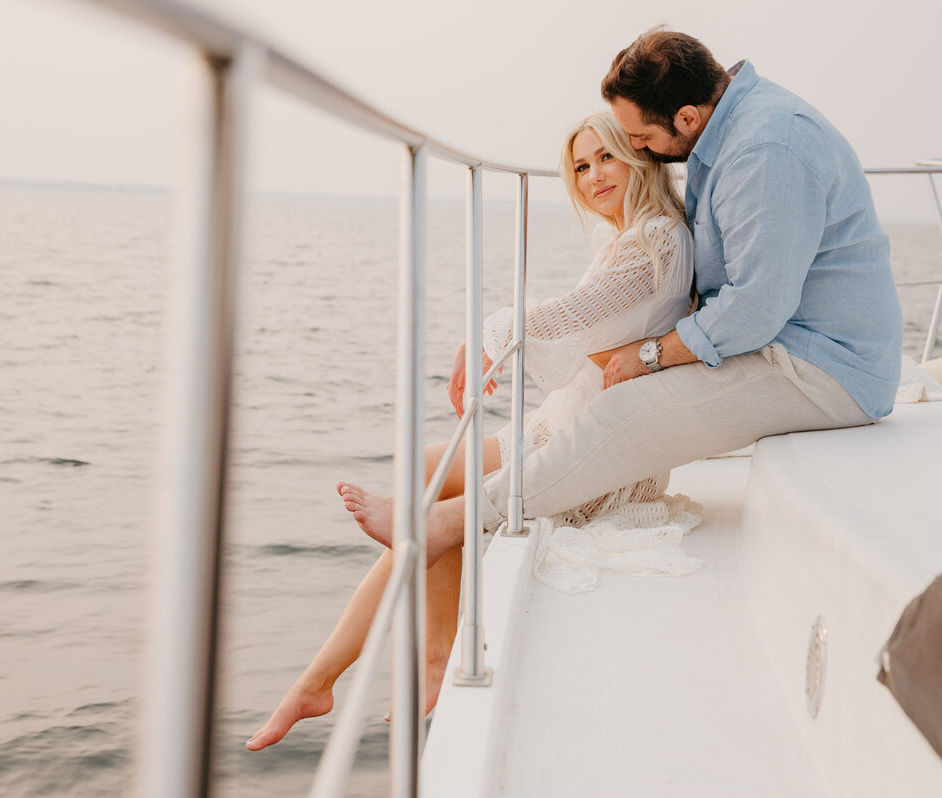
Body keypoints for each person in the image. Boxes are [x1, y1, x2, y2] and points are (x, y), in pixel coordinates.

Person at [346, 29, 901, 571]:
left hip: (824, 366)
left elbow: (756, 307)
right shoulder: (733, 127)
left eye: (638, 138)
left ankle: (447, 525)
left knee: (624, 410)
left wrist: (653, 353)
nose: (637, 149)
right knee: (611, 402)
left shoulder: (764, 149)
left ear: (687, 117)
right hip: (785, 339)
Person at [247, 110, 695, 751]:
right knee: (424, 465)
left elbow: (567, 320)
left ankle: (320, 679)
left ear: (638, 156)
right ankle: (424, 657)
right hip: (574, 421)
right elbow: (589, 341)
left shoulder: (654, 241)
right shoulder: (632, 239)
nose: (594, 175)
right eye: (580, 166)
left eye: (607, 157)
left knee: (424, 507)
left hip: (597, 454)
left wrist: (488, 331)